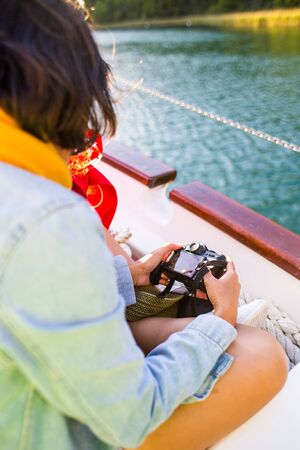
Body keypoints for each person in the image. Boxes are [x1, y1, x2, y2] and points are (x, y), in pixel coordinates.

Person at [0, 2, 288, 450]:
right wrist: (222, 323)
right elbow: (130, 415)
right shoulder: (47, 221)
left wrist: (122, 277)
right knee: (263, 357)